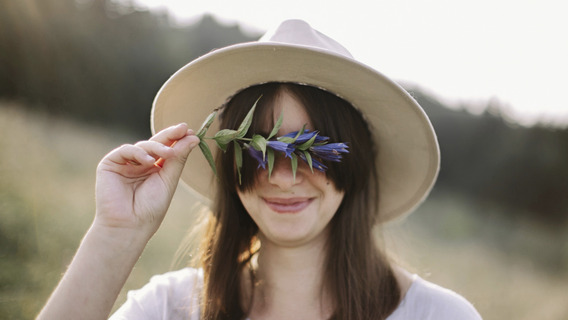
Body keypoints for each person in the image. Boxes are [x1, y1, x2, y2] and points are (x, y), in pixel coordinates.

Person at [38, 19, 482, 320]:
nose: (284, 177)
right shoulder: (172, 308)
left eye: (313, 151)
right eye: (260, 150)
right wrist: (116, 233)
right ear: (229, 159)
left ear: (357, 163)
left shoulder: (438, 316)